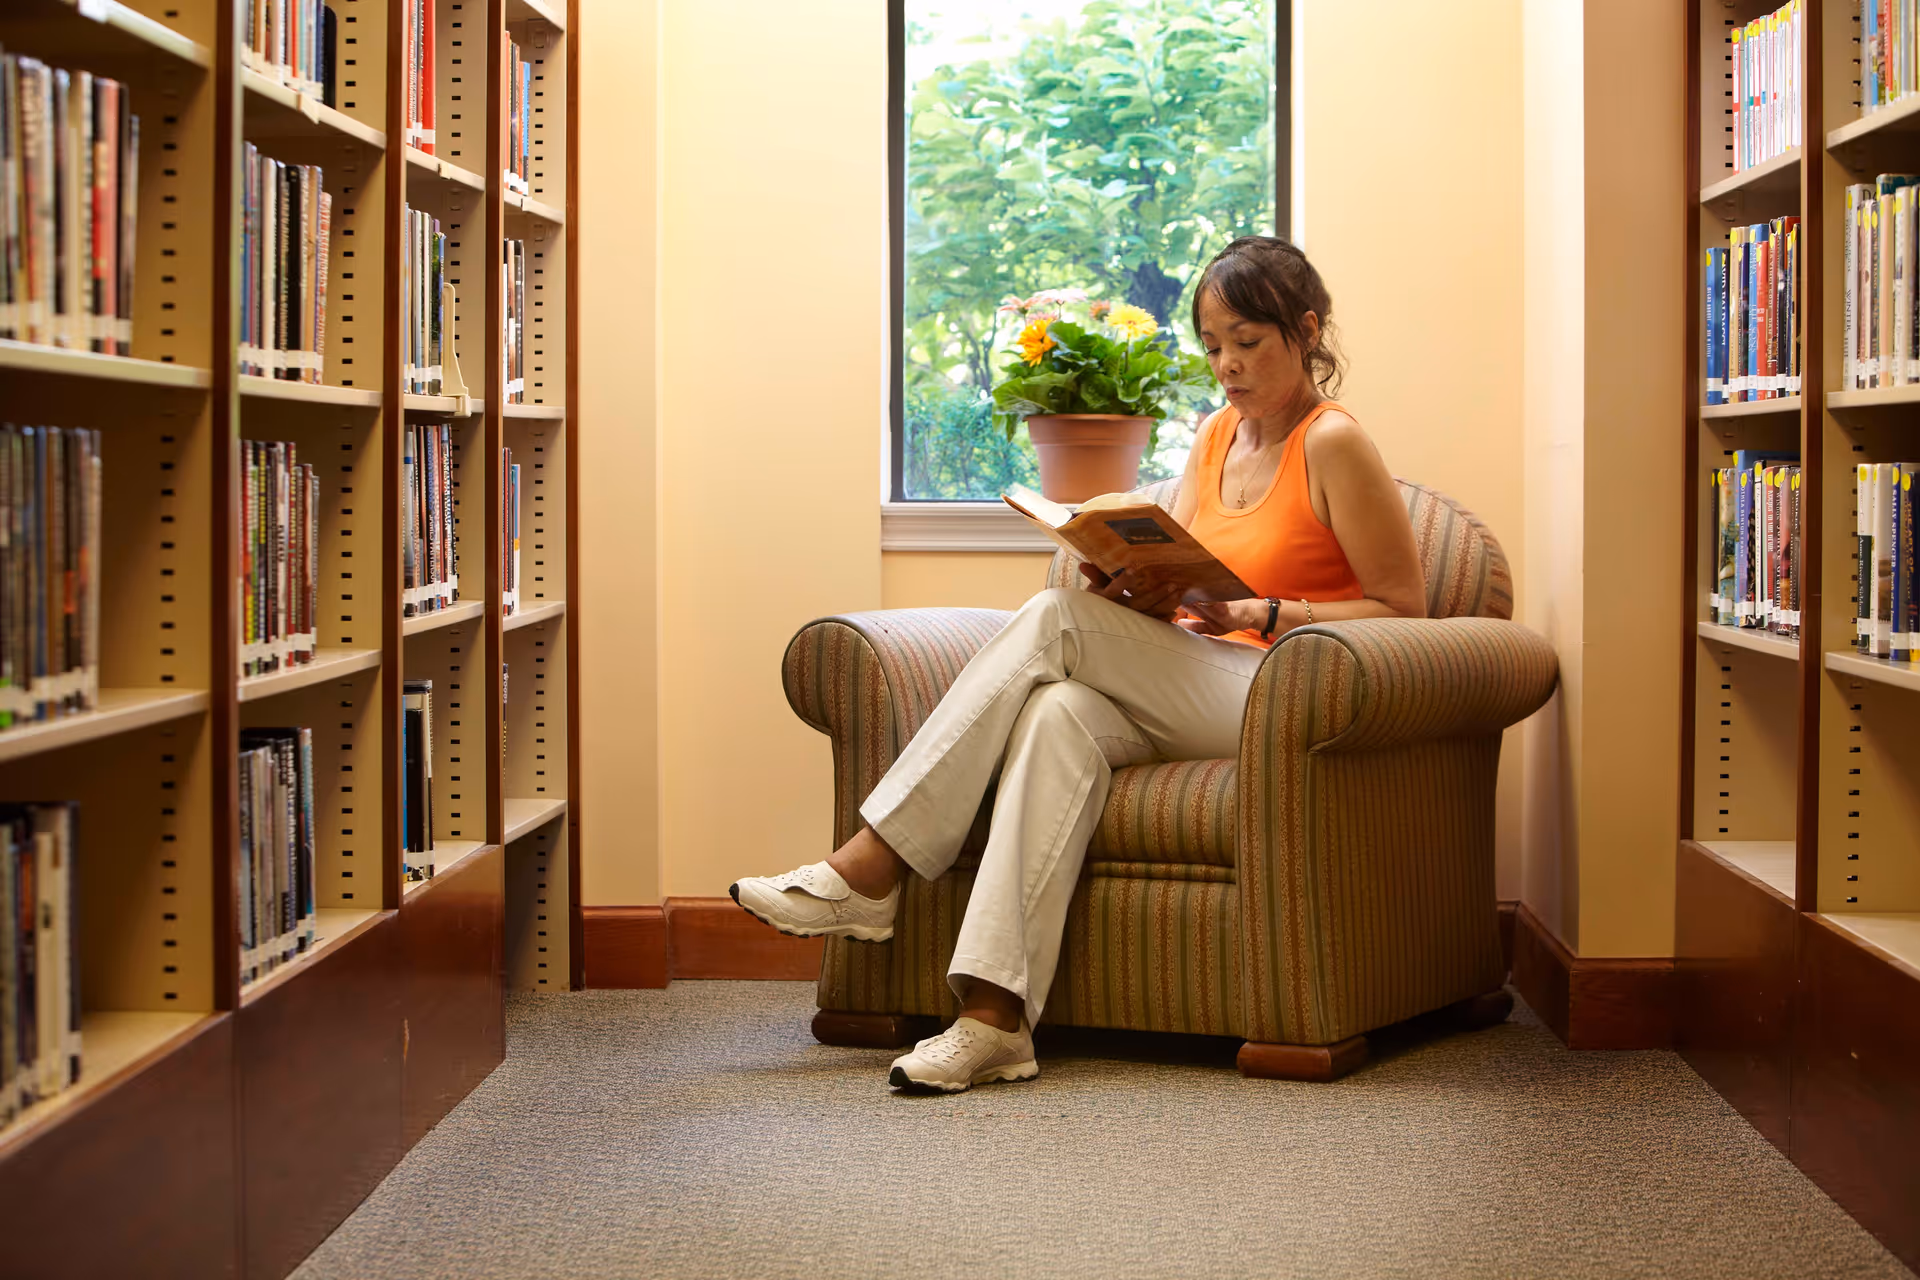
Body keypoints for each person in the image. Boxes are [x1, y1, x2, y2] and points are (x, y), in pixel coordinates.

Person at [732, 236, 1427, 1093]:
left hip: (1284, 692)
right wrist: (1147, 589)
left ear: (1306, 330)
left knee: (1056, 617)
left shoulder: (1334, 444)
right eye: (1213, 346)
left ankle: (872, 865)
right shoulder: (1214, 438)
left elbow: (1404, 609)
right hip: (1203, 674)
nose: (1228, 365)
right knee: (1056, 715)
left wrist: (1270, 613)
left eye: (1249, 341)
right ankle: (993, 1020)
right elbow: (1196, 578)